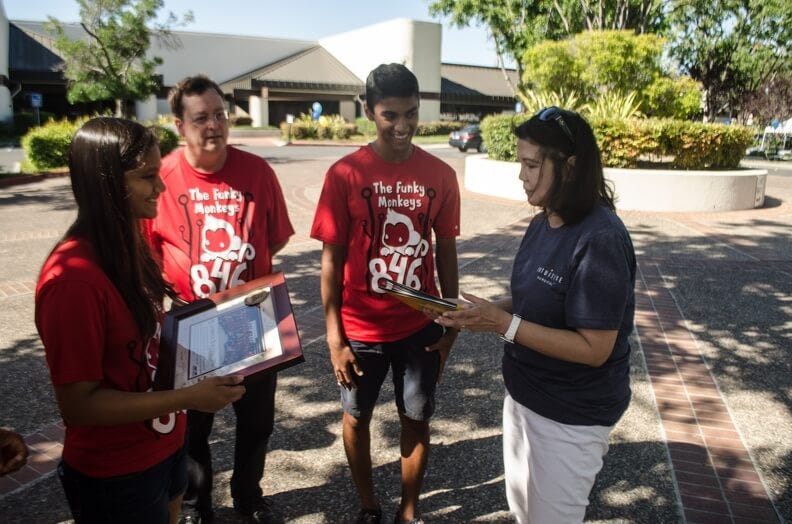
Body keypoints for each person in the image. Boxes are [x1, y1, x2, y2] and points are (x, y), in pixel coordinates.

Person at [35, 117, 246, 524]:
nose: (161, 187)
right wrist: (189, 398)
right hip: (116, 472)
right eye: (147, 177)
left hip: (164, 445)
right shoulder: (72, 280)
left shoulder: (127, 246)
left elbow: (146, 341)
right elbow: (79, 405)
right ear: (107, 183)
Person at [435, 106, 635, 523]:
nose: (521, 175)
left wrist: (503, 325)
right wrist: (482, 312)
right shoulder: (543, 222)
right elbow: (533, 298)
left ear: (571, 166)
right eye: (519, 163)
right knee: (524, 510)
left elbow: (595, 348)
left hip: (570, 416)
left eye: (530, 165)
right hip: (524, 397)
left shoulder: (601, 238)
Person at [311, 63, 461, 524]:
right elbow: (331, 263)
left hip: (420, 326)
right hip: (360, 330)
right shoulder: (344, 174)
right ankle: (368, 505)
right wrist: (335, 339)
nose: (402, 126)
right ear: (368, 111)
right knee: (356, 417)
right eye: (390, 115)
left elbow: (446, 251)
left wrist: (450, 322)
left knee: (416, 418)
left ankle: (408, 512)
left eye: (411, 114)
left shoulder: (439, 174)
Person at [145, 75, 294, 524]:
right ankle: (195, 505)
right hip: (192, 326)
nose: (214, 126)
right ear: (179, 125)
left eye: (220, 115)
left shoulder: (258, 172)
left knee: (257, 423)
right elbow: (148, 251)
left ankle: (248, 496)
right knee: (193, 427)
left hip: (253, 321)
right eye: (201, 118)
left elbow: (276, 238)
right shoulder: (163, 176)